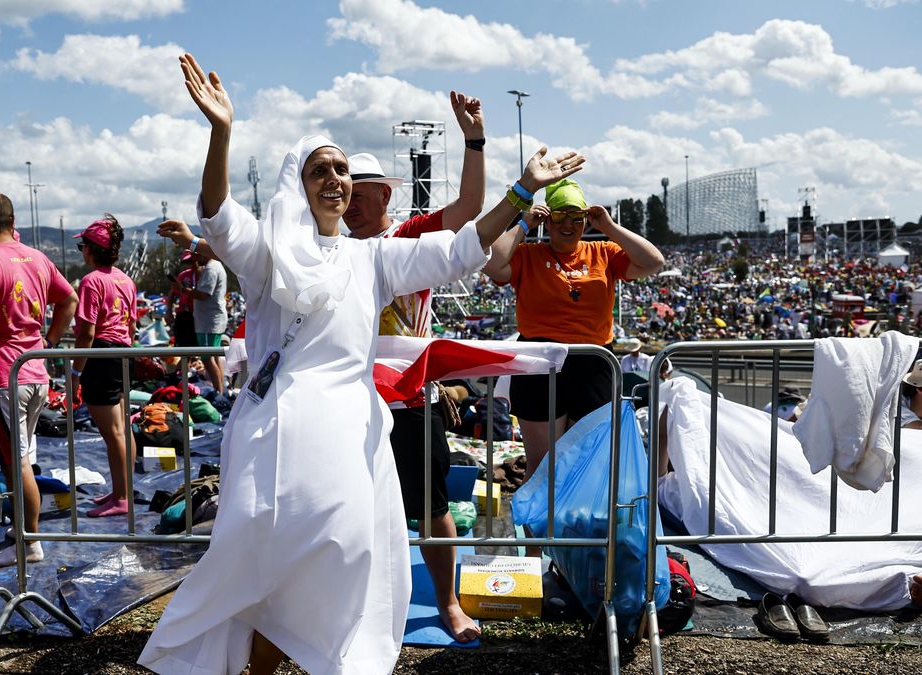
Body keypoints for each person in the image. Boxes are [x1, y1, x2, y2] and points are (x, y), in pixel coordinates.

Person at [139, 53, 582, 675]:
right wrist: (221, 134)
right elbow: (217, 214)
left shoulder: (373, 259)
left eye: (342, 170)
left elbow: (461, 251)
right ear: (302, 185)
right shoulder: (267, 255)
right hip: (277, 437)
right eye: (321, 169)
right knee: (260, 562)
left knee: (339, 560)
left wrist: (524, 189)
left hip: (350, 437)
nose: (335, 179)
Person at [339, 91, 487, 643]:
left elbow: (469, 207)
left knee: (431, 506)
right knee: (352, 508)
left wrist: (473, 139)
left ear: (385, 196)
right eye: (343, 194)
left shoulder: (406, 237)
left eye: (361, 195)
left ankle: (448, 604)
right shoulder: (327, 248)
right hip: (348, 399)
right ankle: (357, 606)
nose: (350, 204)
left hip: (407, 399)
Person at [483, 178, 664, 481]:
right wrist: (525, 223)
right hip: (540, 363)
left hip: (593, 364)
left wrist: (608, 226)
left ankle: (576, 528)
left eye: (576, 217)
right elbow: (492, 264)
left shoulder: (604, 252)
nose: (568, 224)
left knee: (591, 463)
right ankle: (540, 529)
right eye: (559, 216)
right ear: (547, 217)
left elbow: (653, 261)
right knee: (541, 466)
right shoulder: (529, 254)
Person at [0, 192, 76, 567]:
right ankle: (21, 529)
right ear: (13, 221)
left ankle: (29, 542)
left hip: (1, 376)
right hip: (35, 371)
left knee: (15, 463)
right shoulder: (36, 257)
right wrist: (49, 341)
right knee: (18, 457)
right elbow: (68, 299)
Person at [67, 214, 138, 518]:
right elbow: (132, 324)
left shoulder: (92, 281)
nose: (81, 250)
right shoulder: (125, 279)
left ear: (91, 249)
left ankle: (122, 497)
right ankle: (124, 488)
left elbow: (86, 333)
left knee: (112, 433)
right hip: (122, 352)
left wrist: (74, 372)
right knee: (123, 427)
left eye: (82, 245)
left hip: (101, 354)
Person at [190, 252, 228, 393]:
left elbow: (204, 294)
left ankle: (218, 392)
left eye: (197, 255)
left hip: (209, 322)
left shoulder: (211, 268)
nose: (196, 258)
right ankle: (221, 389)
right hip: (211, 320)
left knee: (207, 358)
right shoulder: (215, 266)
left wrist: (184, 290)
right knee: (214, 358)